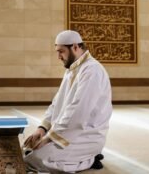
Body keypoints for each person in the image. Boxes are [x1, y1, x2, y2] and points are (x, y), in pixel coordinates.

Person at [23, 30, 112, 173]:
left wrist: (48, 139)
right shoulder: (72, 69)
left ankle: (90, 159)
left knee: (36, 160)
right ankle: (80, 157)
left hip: (86, 135)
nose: (58, 56)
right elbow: (57, 103)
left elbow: (77, 112)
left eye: (61, 52)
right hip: (68, 131)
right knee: (28, 150)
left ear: (75, 47)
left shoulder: (92, 71)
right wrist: (42, 128)